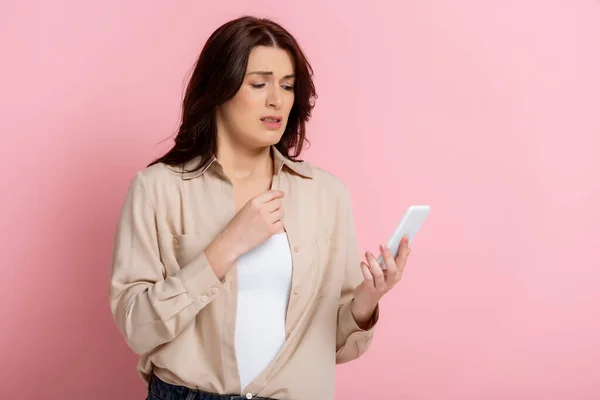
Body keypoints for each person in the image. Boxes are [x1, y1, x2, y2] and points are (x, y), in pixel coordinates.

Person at [109, 15, 411, 400]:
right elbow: (137, 326)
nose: (277, 100)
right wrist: (226, 247)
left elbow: (332, 344)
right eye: (259, 83)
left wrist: (368, 300)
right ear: (218, 88)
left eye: (287, 86)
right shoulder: (157, 190)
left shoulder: (326, 195)